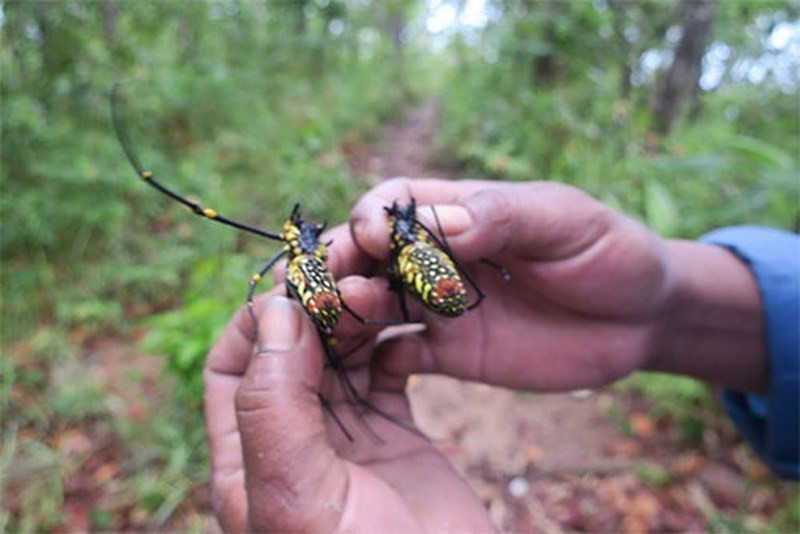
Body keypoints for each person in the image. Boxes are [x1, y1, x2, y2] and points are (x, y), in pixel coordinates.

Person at [204, 178, 799, 532]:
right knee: (382, 283)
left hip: (396, 280)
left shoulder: (395, 250)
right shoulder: (341, 256)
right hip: (371, 286)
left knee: (391, 278)